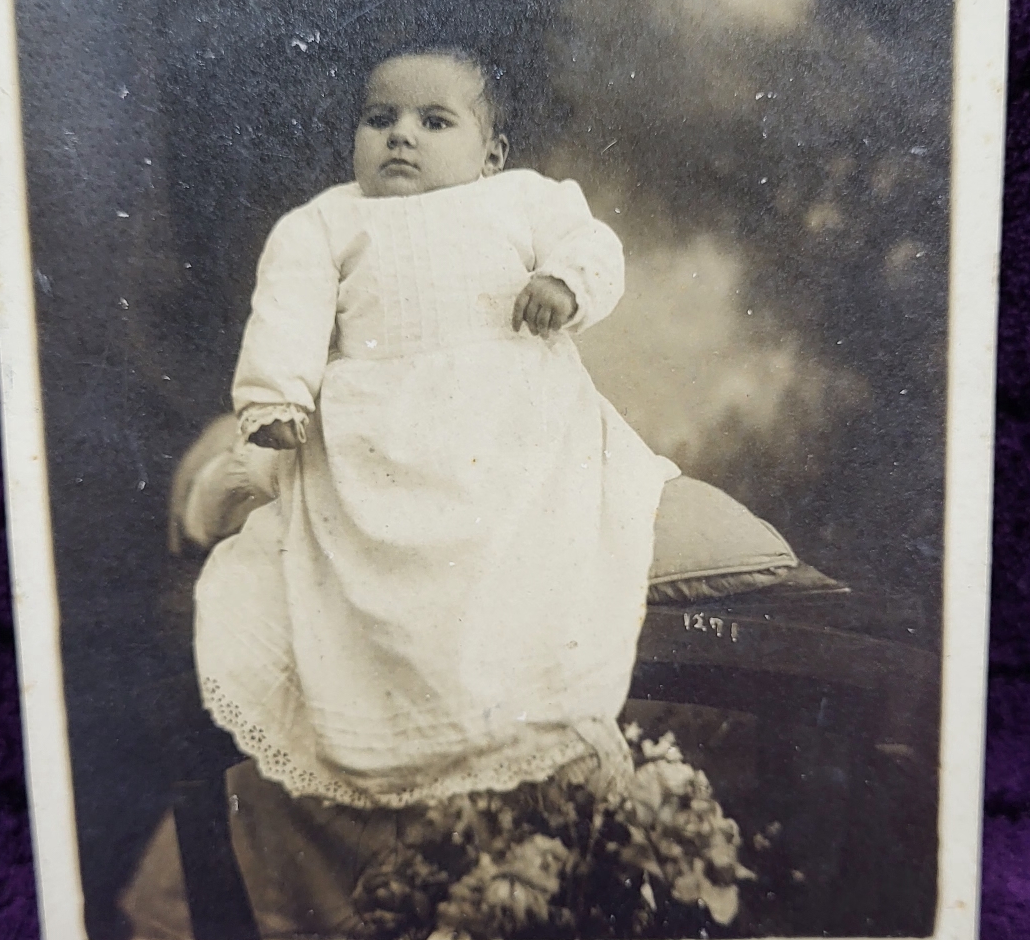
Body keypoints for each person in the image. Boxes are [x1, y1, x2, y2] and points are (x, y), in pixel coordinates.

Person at [193, 47, 679, 812]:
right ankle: (400, 723)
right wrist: (276, 397)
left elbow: (594, 248)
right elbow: (287, 306)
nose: (401, 137)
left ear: (492, 153)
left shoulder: (524, 198)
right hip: (377, 431)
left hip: (510, 417)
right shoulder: (327, 221)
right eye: (379, 119)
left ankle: (517, 706)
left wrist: (563, 283)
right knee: (361, 567)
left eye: (434, 120)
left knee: (523, 545)